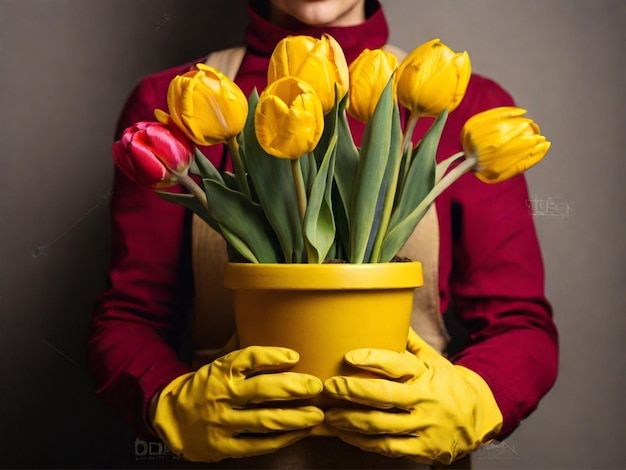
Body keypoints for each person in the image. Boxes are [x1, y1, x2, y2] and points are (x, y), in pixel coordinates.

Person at [87, 0, 558, 467]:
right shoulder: (179, 102)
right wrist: (167, 402)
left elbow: (520, 324)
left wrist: (476, 399)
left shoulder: (462, 102)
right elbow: (129, 317)